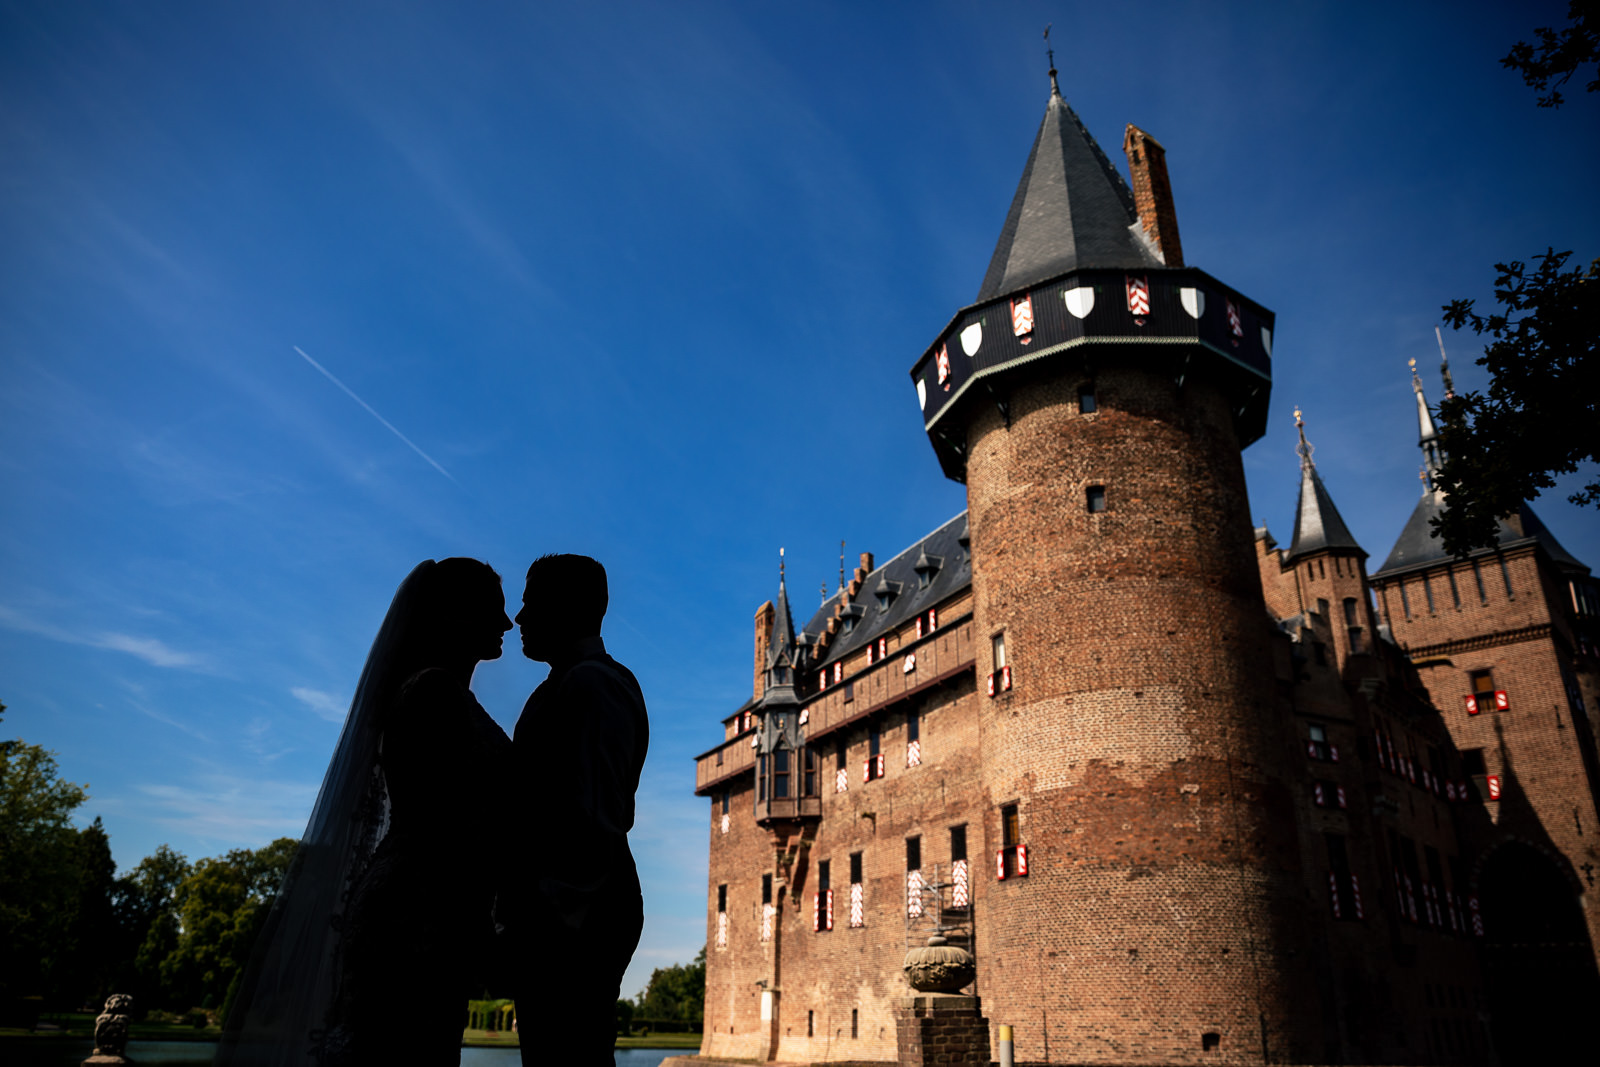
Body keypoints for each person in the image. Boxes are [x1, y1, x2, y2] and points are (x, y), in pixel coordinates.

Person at [216, 559, 512, 1067]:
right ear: (451, 616)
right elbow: (443, 826)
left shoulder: (440, 692)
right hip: (416, 909)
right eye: (493, 610)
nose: (507, 624)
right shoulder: (434, 692)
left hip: (425, 904)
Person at [501, 553, 649, 1067]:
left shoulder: (590, 685)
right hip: (578, 912)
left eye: (531, 604)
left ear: (567, 607)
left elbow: (591, 821)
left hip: (577, 919)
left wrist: (542, 917)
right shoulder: (580, 682)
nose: (519, 619)